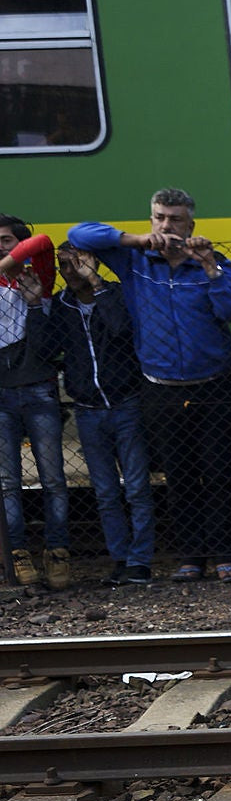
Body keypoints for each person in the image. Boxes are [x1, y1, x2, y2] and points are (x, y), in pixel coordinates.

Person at [70, 189, 231, 582]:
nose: (167, 226)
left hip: (214, 385)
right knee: (178, 476)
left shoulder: (218, 264)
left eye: (175, 219)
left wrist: (210, 268)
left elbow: (228, 313)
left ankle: (226, 556)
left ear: (191, 225)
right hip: (160, 387)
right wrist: (135, 239)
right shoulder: (134, 260)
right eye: (160, 218)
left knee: (219, 474)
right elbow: (78, 234)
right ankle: (191, 558)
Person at [45, 243, 153, 586]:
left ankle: (141, 561)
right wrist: (35, 305)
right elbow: (48, 349)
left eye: (78, 263)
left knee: (136, 487)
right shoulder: (62, 305)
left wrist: (98, 283)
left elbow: (122, 328)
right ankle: (120, 558)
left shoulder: (117, 294)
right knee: (105, 492)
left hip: (126, 403)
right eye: (64, 265)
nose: (71, 271)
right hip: (89, 409)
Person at [0, 215, 66, 589]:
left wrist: (34, 299)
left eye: (6, 240)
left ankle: (58, 553)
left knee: (54, 479)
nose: (0, 246)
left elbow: (41, 240)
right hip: (1, 395)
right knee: (8, 482)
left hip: (39, 389)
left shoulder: (36, 279)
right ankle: (18, 556)